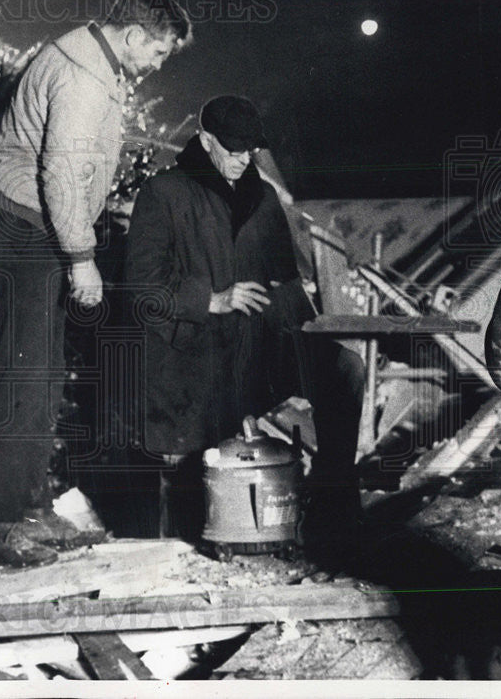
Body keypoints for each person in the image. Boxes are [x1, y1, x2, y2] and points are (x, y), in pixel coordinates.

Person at [0, 0, 192, 565]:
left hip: (33, 220)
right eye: (161, 52)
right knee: (22, 373)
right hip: (25, 227)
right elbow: (62, 173)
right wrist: (81, 256)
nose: (159, 64)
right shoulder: (83, 77)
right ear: (136, 36)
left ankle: (28, 507)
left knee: (41, 373)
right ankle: (0, 523)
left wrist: (99, 210)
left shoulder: (92, 62)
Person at [124, 95, 359, 542]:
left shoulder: (263, 196)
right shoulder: (165, 193)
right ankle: (184, 547)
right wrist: (211, 300)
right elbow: (141, 286)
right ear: (205, 140)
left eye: (250, 151)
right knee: (194, 494)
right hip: (191, 355)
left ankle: (332, 504)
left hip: (254, 351)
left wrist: (311, 337)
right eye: (233, 150)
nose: (242, 160)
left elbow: (285, 281)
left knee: (343, 368)